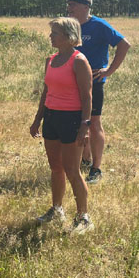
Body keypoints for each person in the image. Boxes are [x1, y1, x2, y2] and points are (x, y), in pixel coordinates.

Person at [29, 17, 93, 233]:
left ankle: (83, 216)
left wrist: (85, 126)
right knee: (55, 167)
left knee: (72, 169)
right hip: (52, 118)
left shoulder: (79, 61)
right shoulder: (50, 59)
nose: (50, 36)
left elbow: (87, 97)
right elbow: (46, 92)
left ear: (69, 36)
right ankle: (57, 210)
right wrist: (38, 119)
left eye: (54, 33)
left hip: (72, 119)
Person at [66, 0, 131, 184]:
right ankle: (84, 159)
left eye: (73, 6)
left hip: (94, 83)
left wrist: (109, 70)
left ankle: (96, 168)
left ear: (86, 8)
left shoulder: (99, 25)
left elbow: (124, 44)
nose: (69, 9)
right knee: (77, 122)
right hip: (72, 82)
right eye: (68, 5)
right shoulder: (70, 26)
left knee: (93, 123)